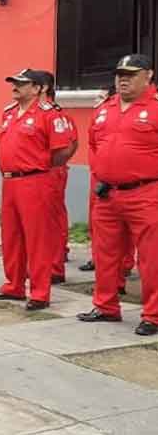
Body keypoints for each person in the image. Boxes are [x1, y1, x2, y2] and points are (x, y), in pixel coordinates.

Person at [77, 54, 158, 336]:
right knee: (105, 253)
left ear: (148, 76)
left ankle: (153, 315)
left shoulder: (156, 107)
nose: (123, 79)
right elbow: (94, 145)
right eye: (120, 74)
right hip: (108, 195)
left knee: (151, 257)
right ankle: (106, 306)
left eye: (131, 74)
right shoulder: (105, 109)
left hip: (146, 194)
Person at [0, 69, 71, 311]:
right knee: (11, 237)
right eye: (13, 82)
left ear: (36, 88)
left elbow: (62, 150)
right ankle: (13, 285)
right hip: (10, 182)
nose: (15, 87)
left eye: (21, 84)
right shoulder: (9, 113)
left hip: (35, 181)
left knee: (37, 238)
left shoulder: (48, 114)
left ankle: (40, 291)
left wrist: (40, 169)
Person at [36, 71, 79, 284]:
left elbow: (71, 145)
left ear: (42, 88)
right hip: (36, 173)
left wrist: (53, 165)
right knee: (40, 220)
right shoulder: (30, 113)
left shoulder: (56, 115)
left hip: (51, 171)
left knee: (52, 217)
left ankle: (55, 265)